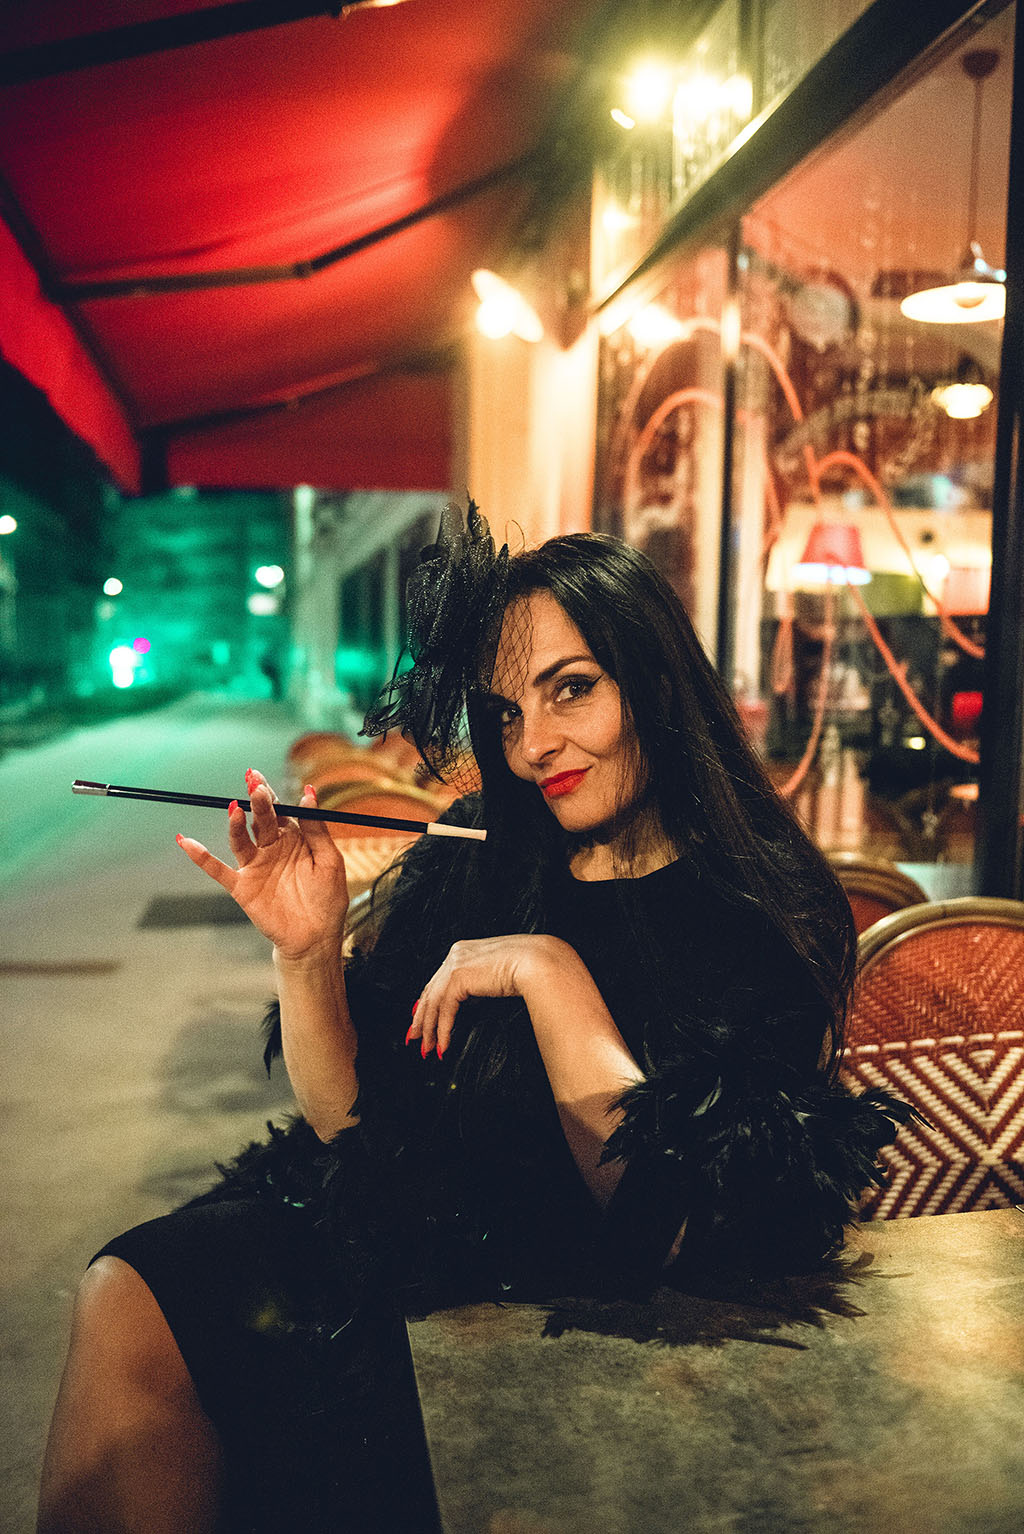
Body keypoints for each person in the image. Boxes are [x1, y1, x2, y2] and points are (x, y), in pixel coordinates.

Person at [38, 505, 911, 1532]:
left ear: (656, 681)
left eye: (571, 689)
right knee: (132, 1286)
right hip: (414, 1258)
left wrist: (551, 975)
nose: (534, 745)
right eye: (504, 712)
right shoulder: (481, 856)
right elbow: (351, 1126)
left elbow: (670, 1226)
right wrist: (308, 954)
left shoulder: (759, 910)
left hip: (595, 1312)